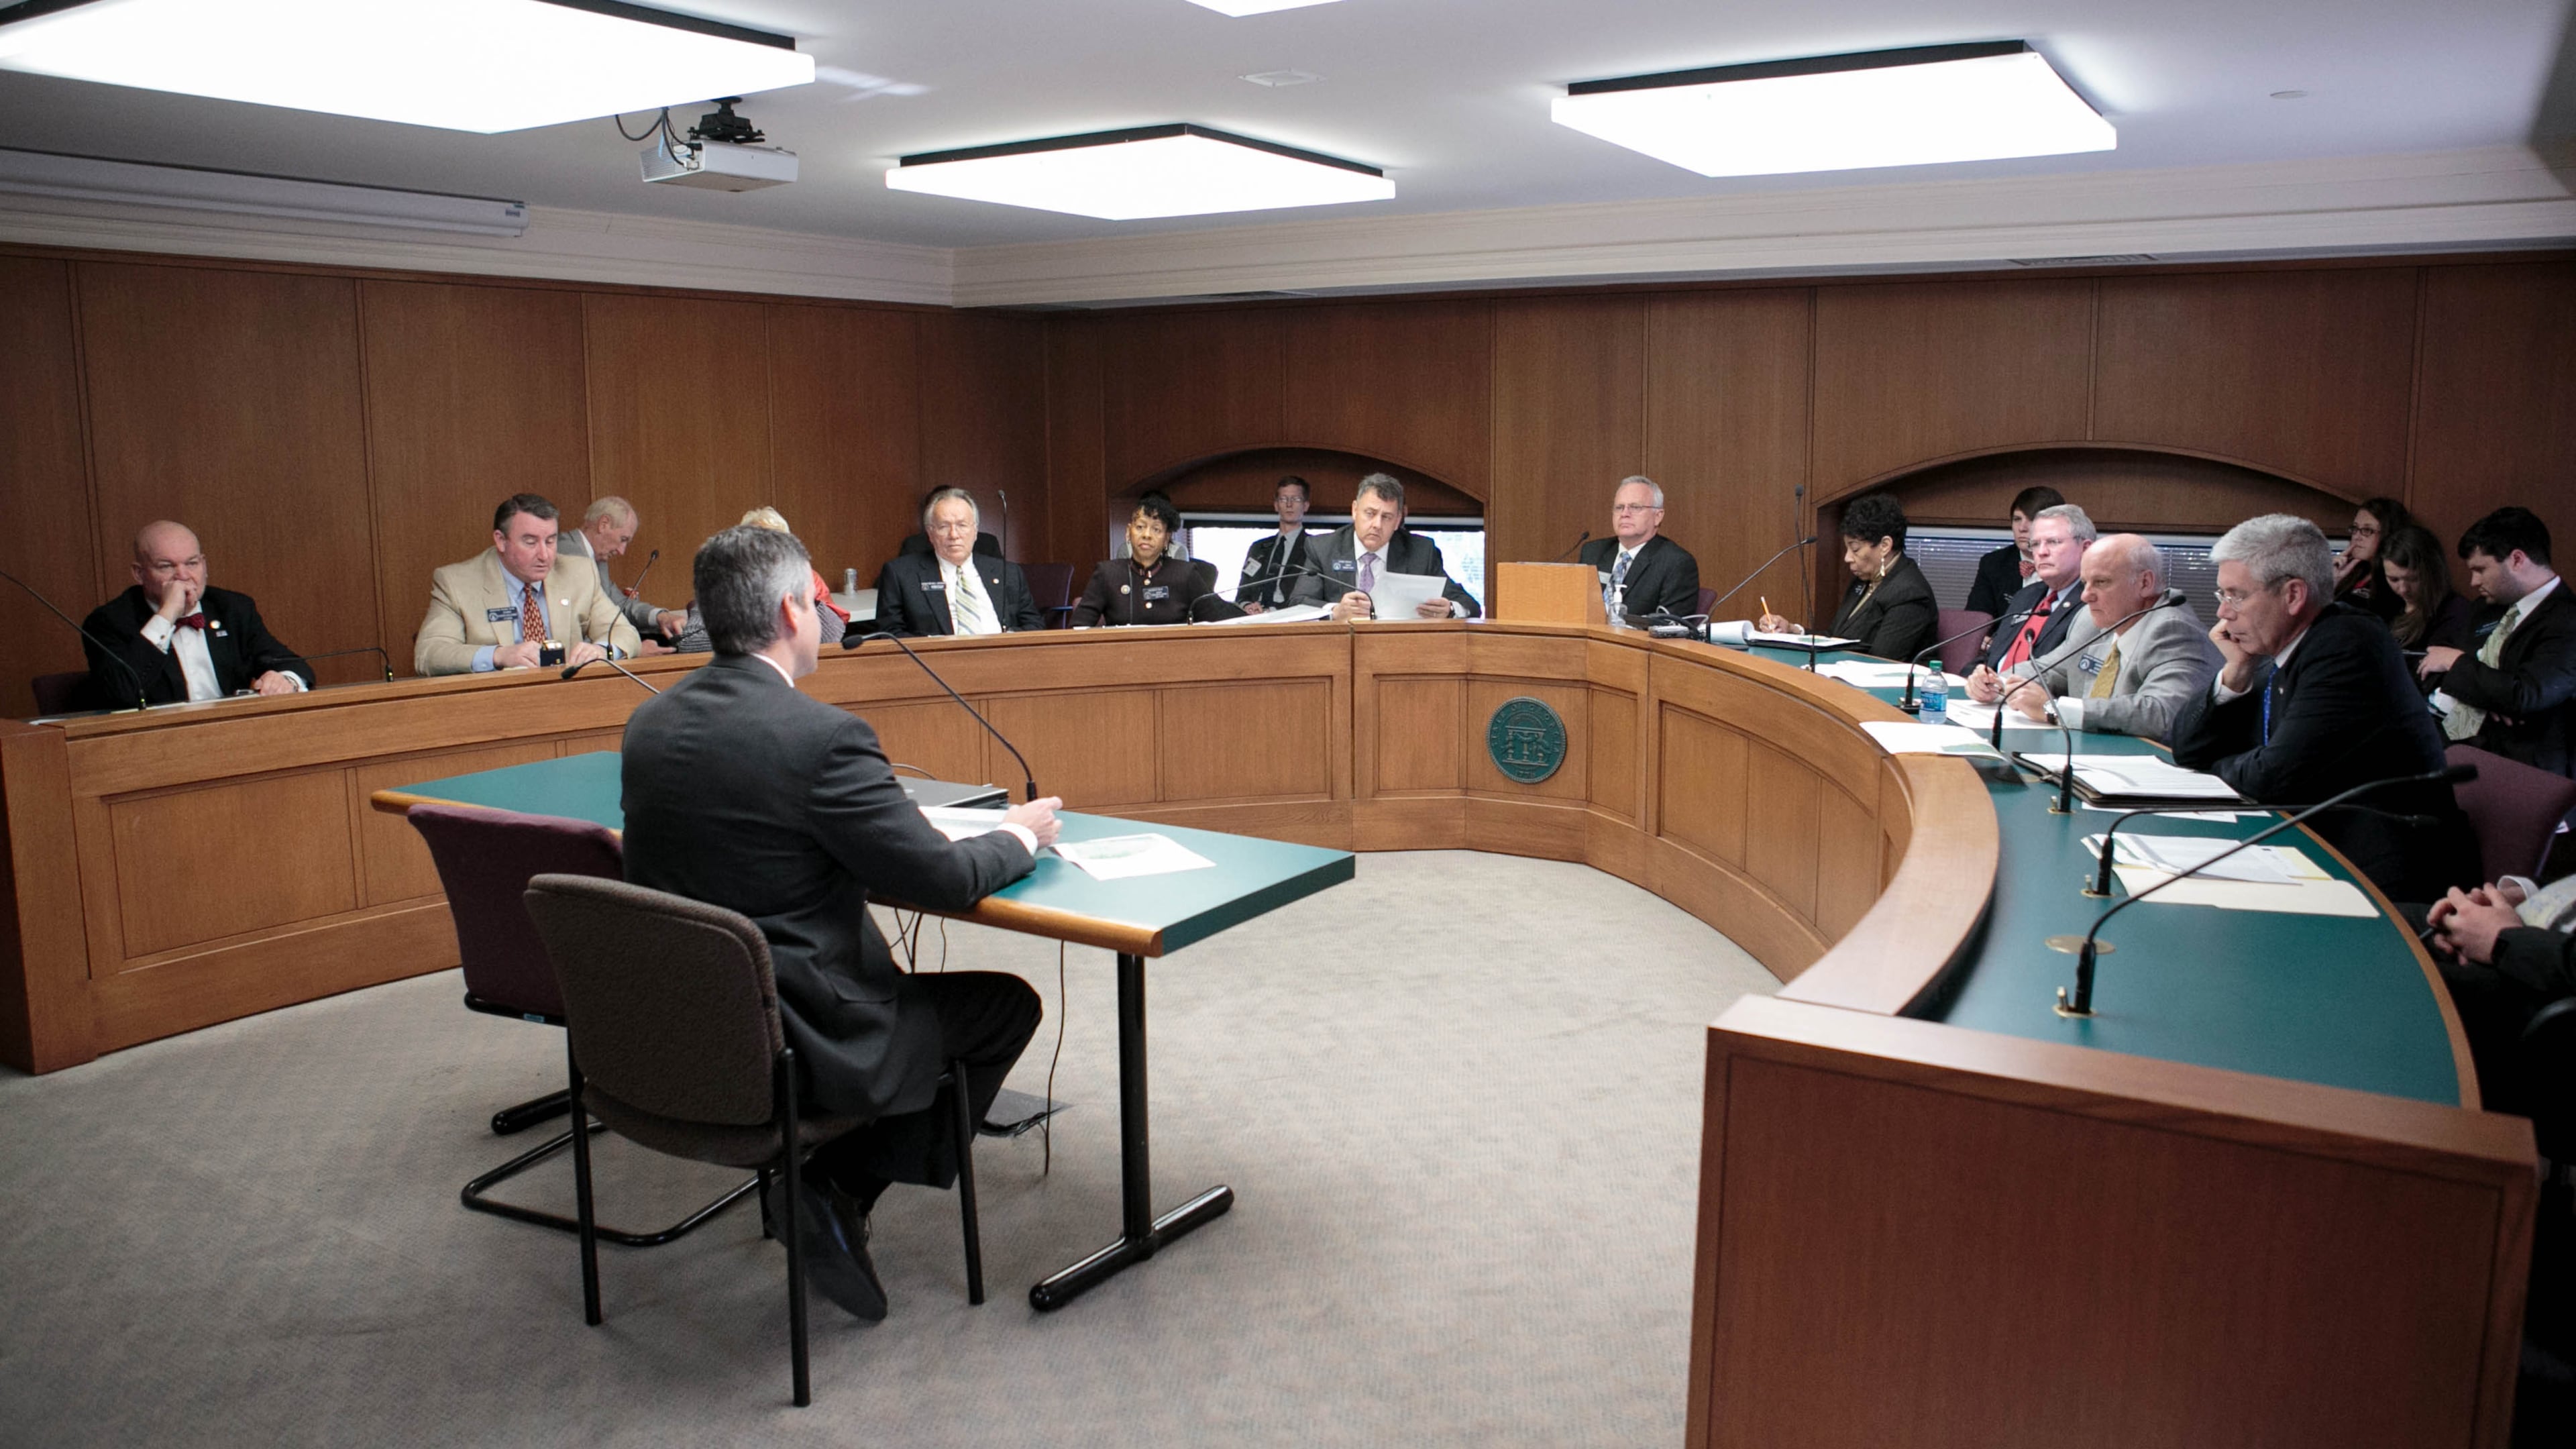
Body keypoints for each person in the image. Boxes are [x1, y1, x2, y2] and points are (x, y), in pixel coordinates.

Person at [621, 523, 1061, 1322]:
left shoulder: (649, 724)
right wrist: (1016, 837)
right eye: (818, 600)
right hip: (801, 1029)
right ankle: (837, 1184)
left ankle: (828, 1181)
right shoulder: (822, 740)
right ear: (794, 611)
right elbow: (944, 877)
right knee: (1004, 1007)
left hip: (681, 1021)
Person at [2167, 513, 2476, 902]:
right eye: (2222, 596)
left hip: (2386, 884)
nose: (2223, 613)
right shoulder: (2281, 648)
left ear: (2293, 595)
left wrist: (2218, 767)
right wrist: (2235, 671)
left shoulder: (2346, 646)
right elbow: (2188, 747)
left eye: (2237, 596)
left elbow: (2272, 776)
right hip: (2318, 850)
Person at [2004, 534, 2220, 743]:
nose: (2085, 596)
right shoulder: (2104, 618)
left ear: (2145, 583)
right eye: (2085, 583)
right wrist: (1999, 682)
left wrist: (2054, 710)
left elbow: (2160, 713)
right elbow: (2055, 669)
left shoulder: (2173, 630)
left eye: (2101, 582)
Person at [80, 520, 311, 706]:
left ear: (204, 565)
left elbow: (294, 664)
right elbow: (123, 693)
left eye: (192, 564)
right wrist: (167, 614)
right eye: (166, 566)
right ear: (140, 574)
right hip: (157, 746)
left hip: (233, 736)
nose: (183, 575)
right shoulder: (109, 622)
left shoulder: (233, 608)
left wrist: (287, 681)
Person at [2422, 506, 2576, 775]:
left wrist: (2457, 663)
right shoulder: (2485, 608)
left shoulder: (2567, 619)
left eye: (2481, 569)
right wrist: (2488, 692)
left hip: (2521, 765)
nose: (2473, 581)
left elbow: (2525, 694)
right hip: (2447, 737)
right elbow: (2437, 670)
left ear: (2517, 560)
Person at [415, 494, 641, 676]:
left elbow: (625, 633)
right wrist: (499, 656)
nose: (545, 555)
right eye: (530, 542)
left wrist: (601, 651)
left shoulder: (578, 573)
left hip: (569, 699)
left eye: (550, 541)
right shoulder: (457, 583)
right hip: (494, 708)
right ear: (501, 540)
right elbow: (429, 654)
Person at [2424, 879, 2576, 1115]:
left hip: (2547, 984)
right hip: (2525, 932)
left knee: (2386, 973)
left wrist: (2503, 938)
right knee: (2374, 922)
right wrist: (2520, 898)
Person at [1754, 492, 1935, 662]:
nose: (1847, 558)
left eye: (1855, 549)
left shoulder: (1910, 593)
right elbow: (1835, 638)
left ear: (1885, 546)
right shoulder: (1865, 580)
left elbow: (1881, 660)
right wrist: (1792, 630)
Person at [1288, 473, 1483, 621]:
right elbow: (1298, 603)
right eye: (1370, 513)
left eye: (1387, 517)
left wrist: (1450, 610)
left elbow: (1470, 605)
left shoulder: (1421, 552)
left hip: (1398, 654)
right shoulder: (1324, 548)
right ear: (1355, 510)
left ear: (1398, 520)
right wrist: (1335, 611)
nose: (1377, 524)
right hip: (1339, 651)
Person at [1965, 503, 2098, 700]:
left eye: (2053, 542)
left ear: (2085, 548)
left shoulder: (2094, 604)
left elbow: (2064, 674)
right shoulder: (2026, 596)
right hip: (1989, 703)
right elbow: (1993, 657)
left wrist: (2000, 683)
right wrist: (1976, 678)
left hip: (2038, 711)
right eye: (2035, 544)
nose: (2041, 552)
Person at [874, 488, 1045, 637]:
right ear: (930, 534)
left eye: (962, 525)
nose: (954, 535)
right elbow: (890, 635)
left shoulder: (1008, 573)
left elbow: (1034, 625)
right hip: (937, 666)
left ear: (976, 531)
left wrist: (1006, 641)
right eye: (944, 527)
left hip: (1002, 662)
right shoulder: (901, 574)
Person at [1073, 494, 1243, 627]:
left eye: (1156, 530)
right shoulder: (1107, 574)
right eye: (1140, 527)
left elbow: (1218, 618)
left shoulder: (1185, 574)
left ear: (1167, 539)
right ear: (1128, 532)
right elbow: (1078, 629)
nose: (1147, 535)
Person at [553, 496, 686, 647]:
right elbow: (575, 629)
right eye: (623, 539)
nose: (622, 551)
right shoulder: (566, 553)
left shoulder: (597, 558)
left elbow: (619, 605)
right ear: (604, 524)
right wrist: (629, 651)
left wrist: (660, 617)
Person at [1577, 476, 1701, 622]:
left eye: (1635, 507)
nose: (1625, 514)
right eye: (1619, 507)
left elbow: (1671, 629)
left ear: (1658, 517)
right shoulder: (1593, 552)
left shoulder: (1676, 563)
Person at [1964, 485, 2065, 620]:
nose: (2022, 528)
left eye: (2032, 519)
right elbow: (1975, 619)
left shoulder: (2070, 563)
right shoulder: (1994, 563)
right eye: (2017, 519)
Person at [2379, 523, 2475, 663]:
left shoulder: (2455, 611)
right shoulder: (2388, 604)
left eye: (2413, 579)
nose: (2403, 589)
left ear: (2433, 572)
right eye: (2394, 579)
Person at [1236, 475, 1314, 612]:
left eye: (1296, 499)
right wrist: (1247, 606)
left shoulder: (1314, 547)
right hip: (1254, 617)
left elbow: (1313, 596)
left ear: (1306, 506)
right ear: (1276, 505)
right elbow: (1243, 592)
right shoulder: (1258, 547)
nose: (1289, 504)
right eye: (1283, 499)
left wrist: (1274, 611)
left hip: (1291, 618)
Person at [2330, 496, 2410, 624]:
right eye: (2355, 529)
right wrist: (2331, 582)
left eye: (2367, 530)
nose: (2357, 537)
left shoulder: (2394, 582)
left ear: (2387, 534)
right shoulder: (2351, 572)